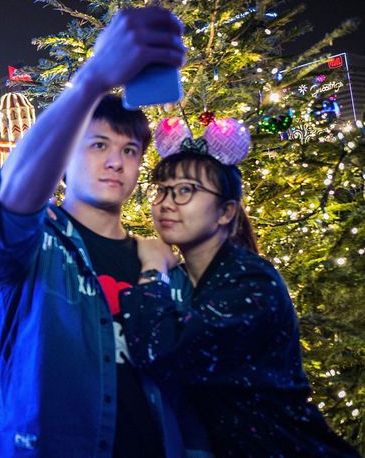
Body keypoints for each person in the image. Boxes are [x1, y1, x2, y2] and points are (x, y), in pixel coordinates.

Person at [0, 7, 200, 457]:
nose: (116, 161)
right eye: (98, 145)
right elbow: (7, 205)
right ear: (64, 157)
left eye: (130, 149)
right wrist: (92, 78)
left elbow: (188, 387)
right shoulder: (37, 247)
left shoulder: (162, 263)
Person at [119, 136, 360, 456]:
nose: (166, 202)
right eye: (161, 189)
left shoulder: (252, 281)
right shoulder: (203, 279)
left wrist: (152, 270)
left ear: (226, 211)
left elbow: (161, 352)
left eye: (185, 190)